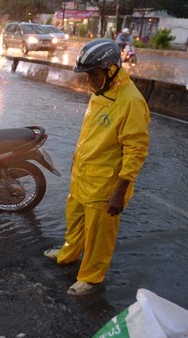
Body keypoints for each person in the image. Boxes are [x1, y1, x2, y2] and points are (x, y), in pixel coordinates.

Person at [44, 39, 150, 295]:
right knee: (75, 222)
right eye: (87, 75)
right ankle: (68, 253)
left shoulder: (130, 101)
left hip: (105, 185)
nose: (88, 81)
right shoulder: (101, 91)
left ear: (111, 69)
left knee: (99, 235)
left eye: (92, 75)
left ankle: (91, 278)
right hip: (83, 176)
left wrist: (120, 190)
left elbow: (136, 149)